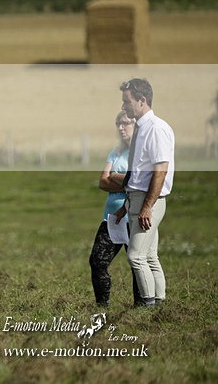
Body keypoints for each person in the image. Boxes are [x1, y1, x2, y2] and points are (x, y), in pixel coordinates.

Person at [114, 78, 175, 307]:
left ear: (142, 100)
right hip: (136, 199)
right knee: (149, 256)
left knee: (135, 256)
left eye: (126, 101)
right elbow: (137, 171)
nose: (123, 107)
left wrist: (148, 206)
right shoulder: (140, 127)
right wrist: (126, 205)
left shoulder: (157, 128)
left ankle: (149, 308)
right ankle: (160, 305)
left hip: (149, 200)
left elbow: (160, 171)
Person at [89, 111, 139, 307]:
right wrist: (126, 181)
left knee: (137, 264)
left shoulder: (140, 152)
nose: (121, 127)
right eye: (118, 123)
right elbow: (103, 181)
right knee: (97, 261)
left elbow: (139, 184)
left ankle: (142, 305)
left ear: (136, 126)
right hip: (111, 218)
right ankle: (103, 305)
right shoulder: (116, 151)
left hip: (132, 216)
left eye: (125, 123)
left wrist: (118, 178)